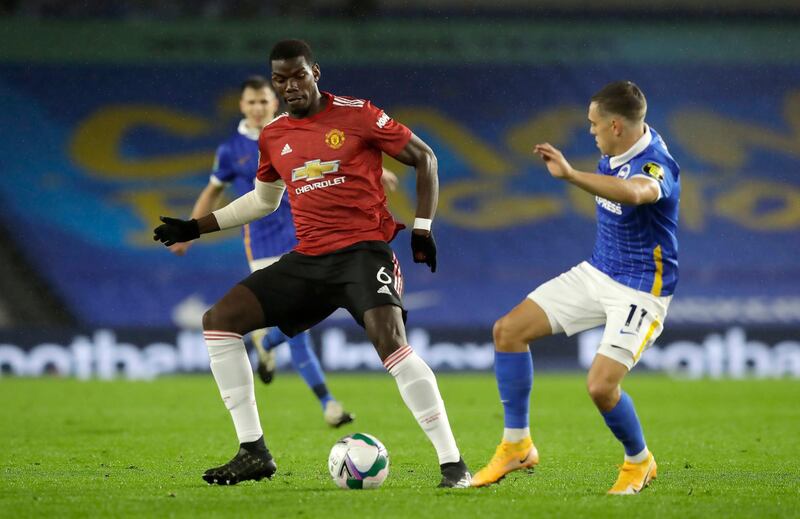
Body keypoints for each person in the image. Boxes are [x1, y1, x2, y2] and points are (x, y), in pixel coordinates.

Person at [153, 39, 471, 488]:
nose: (289, 86)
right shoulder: (274, 135)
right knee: (218, 321)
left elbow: (425, 157)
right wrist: (194, 228)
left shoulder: (358, 114)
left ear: (314, 72)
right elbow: (263, 202)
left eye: (297, 75)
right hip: (310, 258)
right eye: (280, 79)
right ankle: (253, 451)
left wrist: (422, 227)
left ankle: (453, 464)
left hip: (364, 252)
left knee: (390, 342)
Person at [471, 81, 680, 495]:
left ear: (617, 126)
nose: (590, 131)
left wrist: (570, 175)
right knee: (508, 331)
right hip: (599, 271)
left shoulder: (656, 163)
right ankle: (516, 445)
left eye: (594, 124)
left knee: (601, 386)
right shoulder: (619, 146)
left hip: (641, 288)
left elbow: (638, 192)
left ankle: (639, 462)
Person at [169, 76, 355, 428]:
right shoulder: (230, 150)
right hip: (264, 244)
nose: (258, 108)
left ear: (275, 102)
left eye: (263, 101)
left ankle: (268, 342)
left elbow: (334, 159)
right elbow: (213, 191)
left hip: (305, 235)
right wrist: (190, 229)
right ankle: (328, 404)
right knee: (300, 326)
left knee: (308, 313)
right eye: (251, 102)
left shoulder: (295, 132)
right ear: (242, 106)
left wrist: (376, 175)